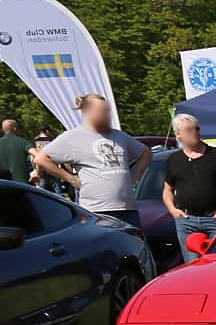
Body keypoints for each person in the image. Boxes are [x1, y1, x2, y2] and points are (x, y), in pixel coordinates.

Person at [32, 94, 149, 227]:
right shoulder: (72, 137)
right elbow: (41, 159)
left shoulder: (119, 136)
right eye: (101, 111)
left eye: (107, 111)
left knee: (134, 247)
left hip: (128, 210)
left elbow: (145, 153)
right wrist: (71, 179)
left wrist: (134, 177)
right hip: (96, 212)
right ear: (87, 112)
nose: (106, 115)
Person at [161, 113, 216, 255]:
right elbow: (167, 189)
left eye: (196, 129)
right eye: (189, 130)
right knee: (192, 266)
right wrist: (173, 210)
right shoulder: (174, 159)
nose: (195, 133)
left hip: (214, 219)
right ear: (178, 134)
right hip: (186, 221)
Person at [0, 118, 31, 183]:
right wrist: (37, 172)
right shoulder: (23, 142)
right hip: (21, 184)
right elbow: (36, 155)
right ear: (15, 128)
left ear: (3, 129)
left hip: (2, 184)